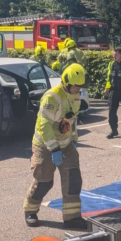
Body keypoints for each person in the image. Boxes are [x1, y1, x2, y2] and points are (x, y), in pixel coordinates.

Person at [23, 64, 87, 229]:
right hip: (45, 145)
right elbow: (44, 125)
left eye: (80, 86)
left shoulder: (76, 96)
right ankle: (30, 211)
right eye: (75, 86)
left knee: (73, 179)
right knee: (44, 182)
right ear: (65, 81)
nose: (77, 89)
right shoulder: (52, 97)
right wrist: (54, 149)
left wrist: (73, 137)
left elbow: (71, 119)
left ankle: (72, 218)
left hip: (66, 144)